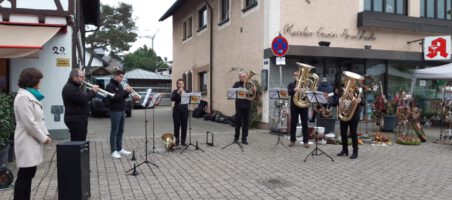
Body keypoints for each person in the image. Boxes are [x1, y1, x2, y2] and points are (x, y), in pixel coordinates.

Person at [13, 68, 52, 200]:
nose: (40, 83)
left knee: (29, 174)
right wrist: (43, 138)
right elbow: (29, 123)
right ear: (33, 81)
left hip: (32, 140)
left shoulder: (31, 95)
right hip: (26, 140)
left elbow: (39, 119)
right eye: (39, 80)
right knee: (24, 175)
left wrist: (45, 133)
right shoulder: (23, 98)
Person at [106, 70, 137, 159]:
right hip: (114, 111)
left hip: (121, 110)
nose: (121, 79)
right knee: (114, 131)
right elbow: (115, 98)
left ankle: (119, 149)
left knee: (121, 130)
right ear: (115, 76)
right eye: (120, 77)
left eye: (122, 77)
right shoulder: (110, 86)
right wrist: (125, 91)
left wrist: (128, 92)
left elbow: (122, 97)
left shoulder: (119, 85)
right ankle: (113, 151)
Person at [62, 69, 100, 141]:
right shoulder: (70, 88)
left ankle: (75, 152)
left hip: (79, 118)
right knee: (78, 142)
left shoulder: (75, 87)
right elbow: (83, 99)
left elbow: (82, 98)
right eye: (82, 77)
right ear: (74, 77)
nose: (83, 79)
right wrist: (93, 91)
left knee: (79, 141)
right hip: (75, 119)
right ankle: (75, 152)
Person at [337, 87, 365, 159]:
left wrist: (359, 100)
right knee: (343, 133)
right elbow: (336, 103)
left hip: (354, 117)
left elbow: (363, 103)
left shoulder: (358, 94)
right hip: (344, 115)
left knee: (353, 134)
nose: (349, 91)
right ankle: (344, 150)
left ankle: (355, 152)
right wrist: (340, 101)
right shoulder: (344, 94)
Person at [287, 71, 310, 148]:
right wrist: (295, 90)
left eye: (298, 75)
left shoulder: (305, 84)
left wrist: (305, 90)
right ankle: (292, 140)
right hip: (294, 106)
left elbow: (309, 93)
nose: (296, 76)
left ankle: (306, 141)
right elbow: (289, 93)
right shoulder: (291, 84)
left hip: (303, 106)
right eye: (295, 75)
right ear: (293, 76)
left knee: (305, 124)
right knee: (293, 123)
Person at [232, 72, 255, 145]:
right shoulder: (236, 84)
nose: (244, 78)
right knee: (238, 122)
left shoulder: (250, 84)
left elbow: (253, 95)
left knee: (246, 123)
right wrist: (240, 90)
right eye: (242, 77)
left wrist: (254, 90)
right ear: (239, 77)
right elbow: (232, 93)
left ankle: (244, 138)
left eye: (245, 76)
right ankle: (236, 137)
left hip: (247, 105)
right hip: (239, 105)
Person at [170, 78, 189, 146]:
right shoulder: (175, 91)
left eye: (181, 83)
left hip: (185, 111)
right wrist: (178, 92)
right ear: (177, 85)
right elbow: (172, 99)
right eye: (179, 84)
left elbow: (189, 99)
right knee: (176, 127)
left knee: (184, 127)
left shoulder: (186, 91)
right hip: (176, 111)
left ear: (183, 84)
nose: (180, 85)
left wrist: (183, 93)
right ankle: (177, 141)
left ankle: (183, 141)